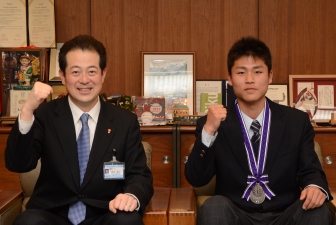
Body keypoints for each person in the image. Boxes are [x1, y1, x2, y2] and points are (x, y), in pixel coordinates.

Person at [5, 35, 153, 225]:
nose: (84, 80)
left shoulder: (125, 121)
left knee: (127, 221)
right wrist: (27, 110)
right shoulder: (45, 115)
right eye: (75, 72)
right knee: (29, 222)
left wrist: (132, 196)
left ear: (103, 74)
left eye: (92, 71)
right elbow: (19, 164)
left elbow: (139, 175)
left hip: (105, 213)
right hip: (53, 215)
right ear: (62, 75)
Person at [184, 36, 333, 225]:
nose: (249, 80)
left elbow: (311, 170)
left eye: (257, 72)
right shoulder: (213, 123)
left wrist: (315, 187)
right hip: (237, 213)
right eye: (241, 72)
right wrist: (209, 131)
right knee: (214, 206)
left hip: (285, 213)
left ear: (270, 76)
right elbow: (196, 178)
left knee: (317, 209)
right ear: (229, 78)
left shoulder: (296, 121)